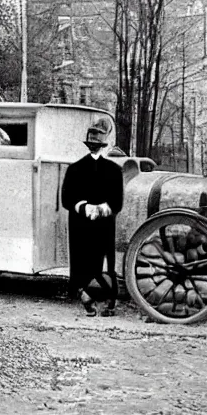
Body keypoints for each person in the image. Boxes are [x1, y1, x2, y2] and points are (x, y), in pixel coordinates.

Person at [61, 118, 124, 316]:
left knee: (103, 264)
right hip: (81, 224)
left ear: (103, 145)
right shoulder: (75, 169)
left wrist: (102, 209)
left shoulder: (114, 170)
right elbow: (66, 199)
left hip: (103, 224)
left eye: (97, 144)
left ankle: (110, 300)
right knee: (83, 262)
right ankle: (87, 297)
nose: (95, 147)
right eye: (93, 144)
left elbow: (117, 202)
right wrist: (84, 207)